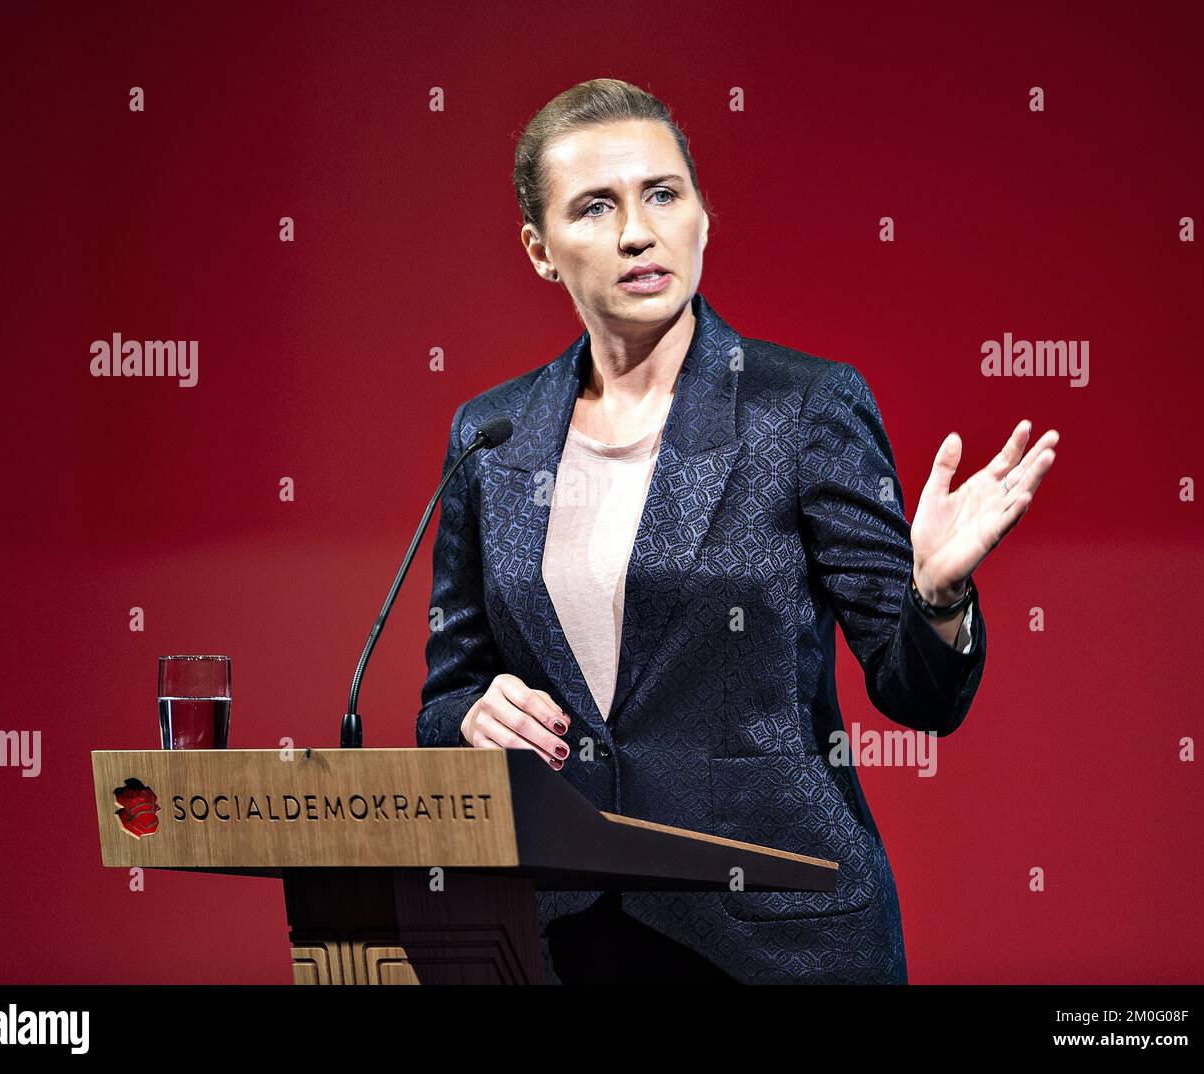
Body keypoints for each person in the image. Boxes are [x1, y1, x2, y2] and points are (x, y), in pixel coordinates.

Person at [416, 78, 1058, 984]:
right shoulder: (492, 434)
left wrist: (937, 597)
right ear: (540, 251)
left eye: (662, 195)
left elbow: (917, 695)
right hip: (563, 935)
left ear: (703, 219)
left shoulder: (801, 409)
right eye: (596, 207)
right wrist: (473, 719)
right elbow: (446, 698)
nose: (638, 231)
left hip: (778, 938)